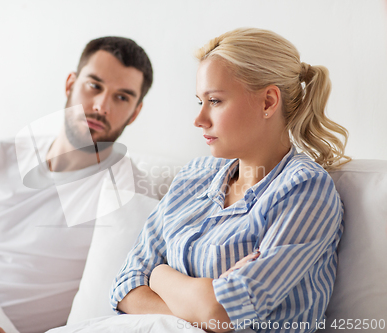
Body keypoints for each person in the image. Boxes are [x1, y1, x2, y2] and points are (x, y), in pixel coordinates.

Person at [111, 28, 350, 333]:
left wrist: (158, 276)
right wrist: (198, 297)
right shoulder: (194, 176)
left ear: (268, 102)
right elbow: (125, 286)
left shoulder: (304, 190)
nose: (199, 120)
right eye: (200, 101)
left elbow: (220, 314)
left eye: (215, 101)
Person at [0, 36, 154, 333]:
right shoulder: (0, 156)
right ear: (70, 84)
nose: (102, 105)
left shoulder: (130, 195)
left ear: (136, 112)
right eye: (94, 86)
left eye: (122, 97)